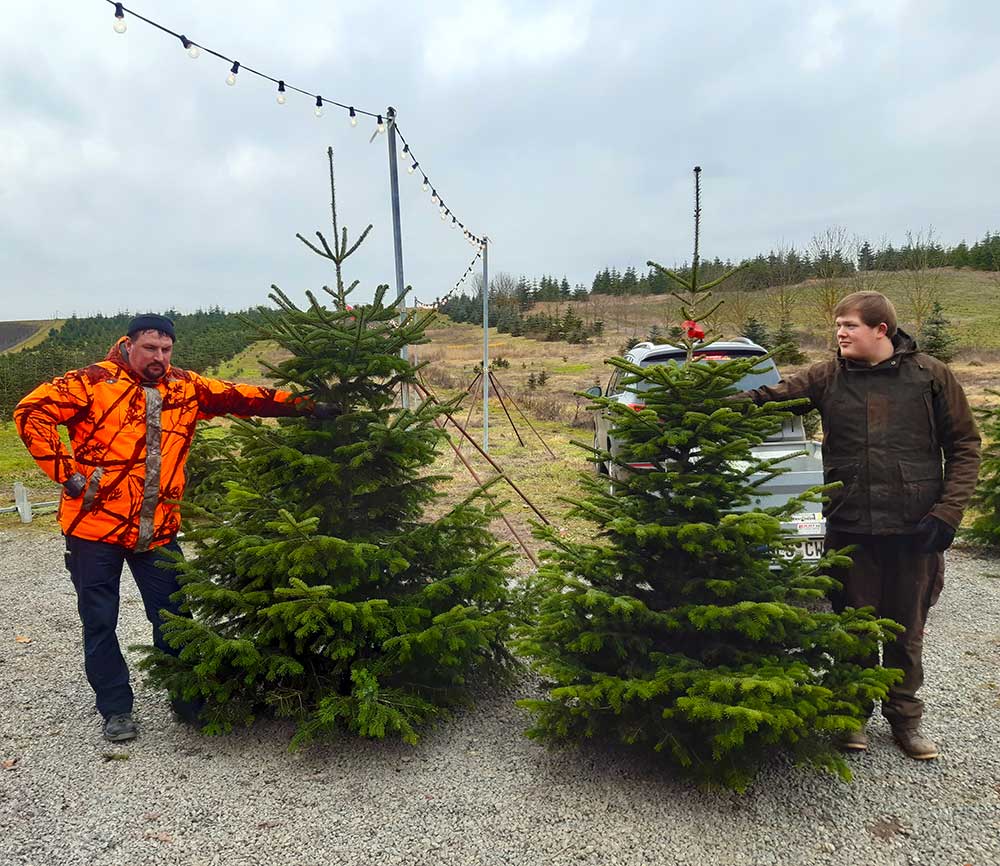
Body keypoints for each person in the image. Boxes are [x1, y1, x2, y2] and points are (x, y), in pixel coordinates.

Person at [14, 314, 331, 742]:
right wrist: (69, 475)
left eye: (166, 350)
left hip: (158, 531)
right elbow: (30, 413)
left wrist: (308, 406)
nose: (159, 357)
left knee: (175, 616)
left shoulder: (185, 387)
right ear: (128, 345)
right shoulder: (90, 382)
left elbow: (246, 397)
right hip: (93, 531)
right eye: (150, 348)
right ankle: (115, 710)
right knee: (99, 621)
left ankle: (188, 700)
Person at [738, 292, 980, 760]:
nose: (840, 333)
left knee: (906, 633)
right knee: (851, 628)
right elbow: (767, 399)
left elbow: (966, 446)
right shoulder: (828, 376)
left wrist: (948, 513)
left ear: (881, 330)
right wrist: (698, 404)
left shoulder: (930, 376)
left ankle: (906, 721)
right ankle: (851, 716)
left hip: (916, 529)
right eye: (837, 326)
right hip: (850, 526)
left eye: (848, 325)